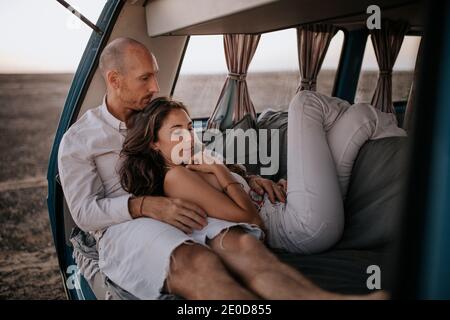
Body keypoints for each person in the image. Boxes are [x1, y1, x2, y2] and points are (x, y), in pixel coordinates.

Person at [58, 37, 376, 300]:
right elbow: (84, 212)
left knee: (243, 244)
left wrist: (249, 179)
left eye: (155, 74)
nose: (155, 85)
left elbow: (198, 158)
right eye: (145, 78)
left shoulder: (154, 117)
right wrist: (144, 205)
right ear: (114, 80)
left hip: (183, 206)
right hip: (125, 224)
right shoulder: (80, 140)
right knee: (196, 261)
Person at [121, 93, 406, 257]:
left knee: (361, 118)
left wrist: (261, 181)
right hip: (300, 228)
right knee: (304, 102)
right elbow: (252, 220)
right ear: (153, 143)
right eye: (177, 131)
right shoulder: (175, 179)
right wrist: (221, 171)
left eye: (189, 126)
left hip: (297, 207)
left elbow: (242, 192)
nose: (190, 137)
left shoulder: (193, 164)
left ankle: (408, 140)